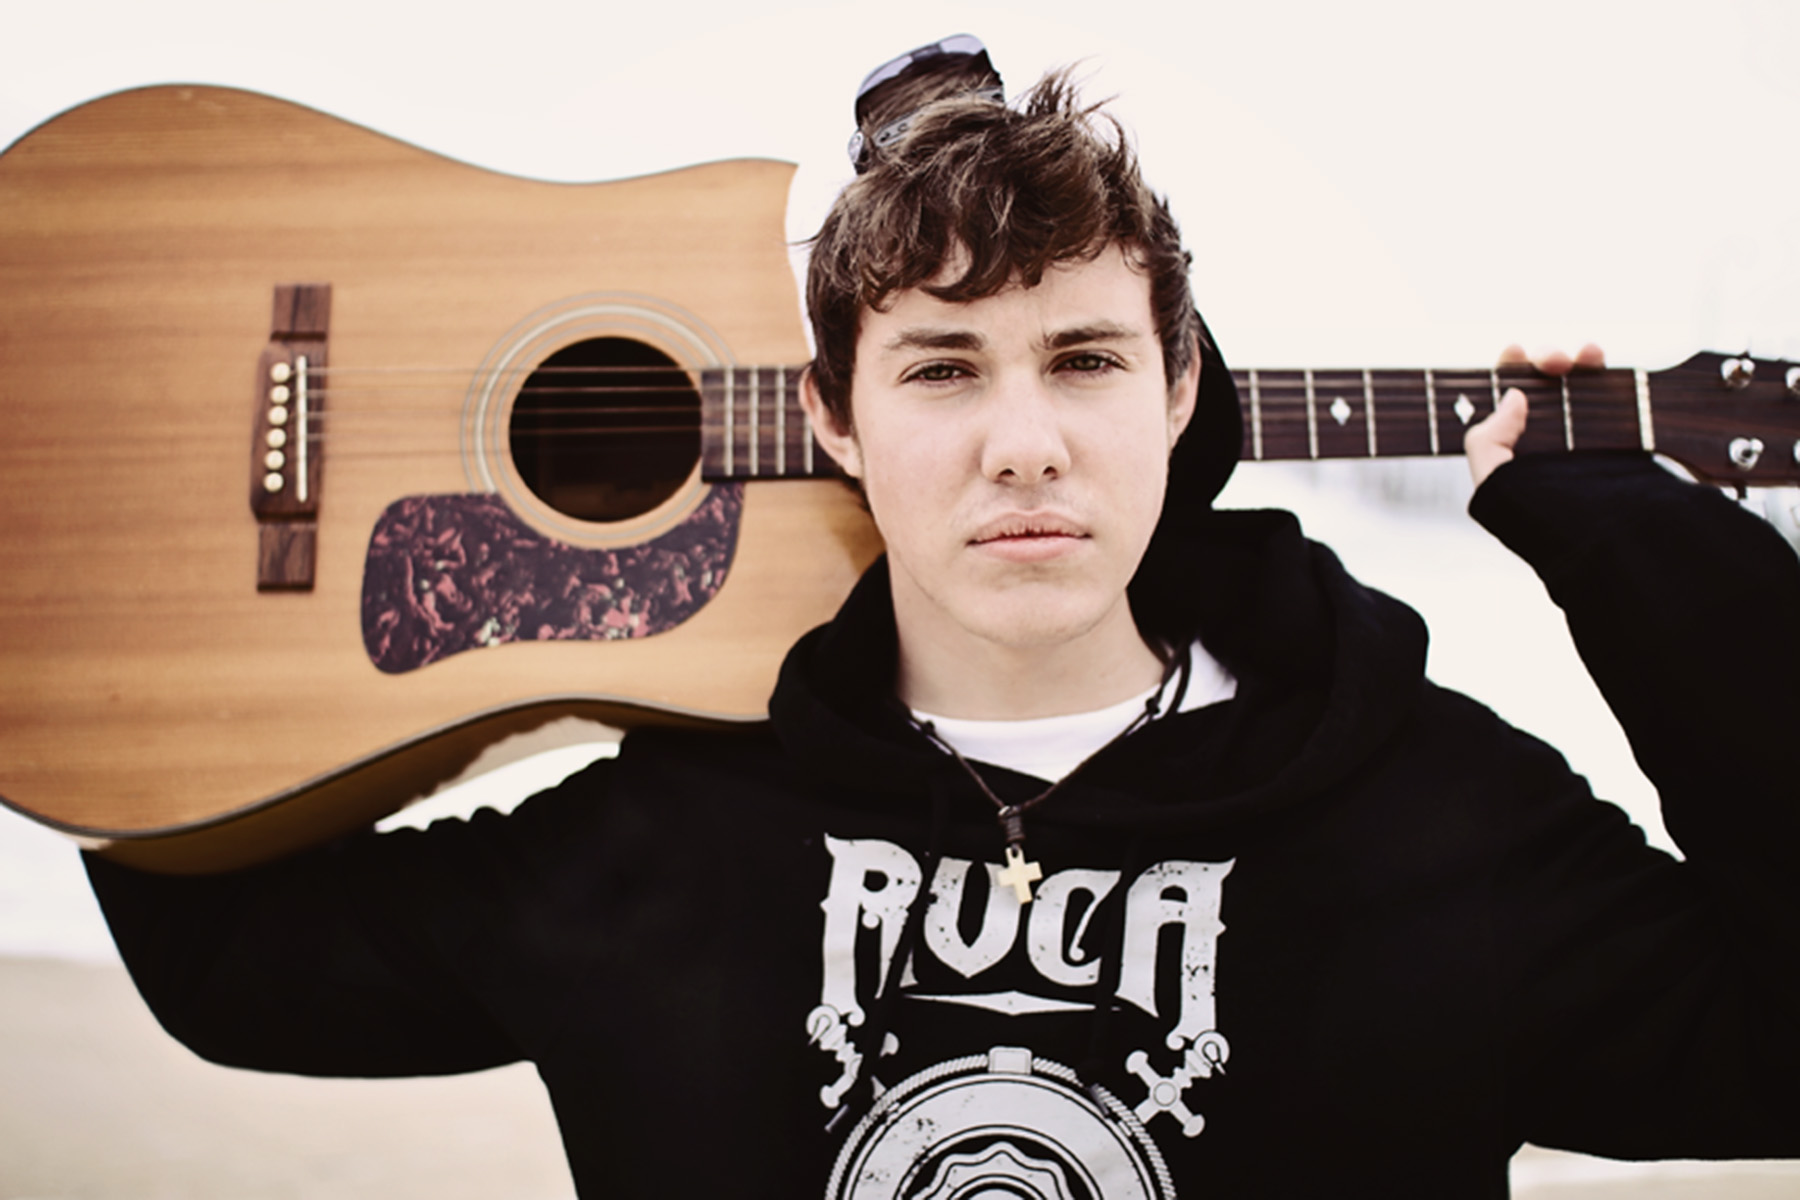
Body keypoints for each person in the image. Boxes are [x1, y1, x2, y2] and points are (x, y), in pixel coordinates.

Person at [84, 36, 1800, 1197]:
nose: (1024, 441)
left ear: (1181, 389)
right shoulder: (669, 834)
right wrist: (128, 550)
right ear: (835, 419)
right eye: (941, 368)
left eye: (1084, 357)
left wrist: (1634, 539)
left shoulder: (1429, 819)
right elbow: (232, 969)